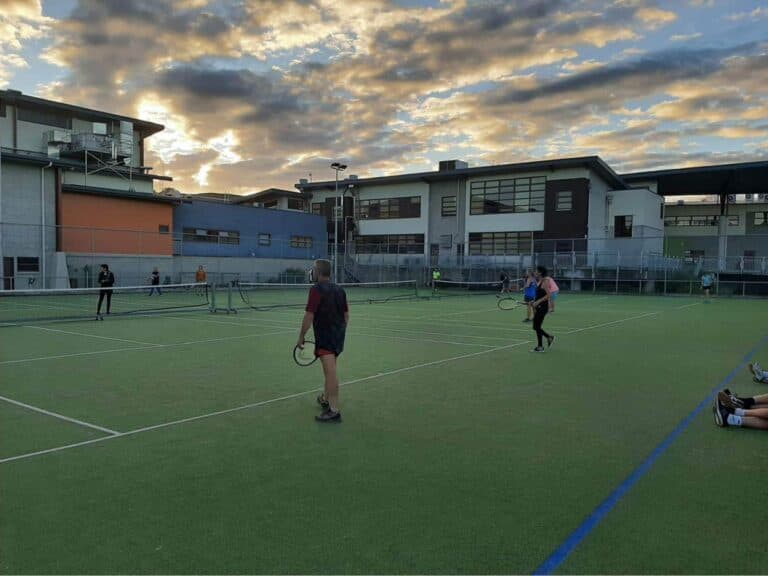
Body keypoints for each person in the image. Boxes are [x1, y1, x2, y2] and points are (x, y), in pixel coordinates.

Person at [297, 259, 349, 423]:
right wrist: (339, 331)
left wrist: (301, 336)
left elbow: (309, 316)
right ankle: (325, 399)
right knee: (330, 370)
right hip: (338, 337)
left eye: (313, 269)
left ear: (318, 272)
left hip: (326, 338)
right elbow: (346, 316)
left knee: (330, 374)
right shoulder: (340, 290)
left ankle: (334, 411)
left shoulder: (316, 290)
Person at [530, 265, 555, 353]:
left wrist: (538, 302)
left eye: (536, 271)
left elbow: (549, 295)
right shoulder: (539, 281)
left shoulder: (545, 281)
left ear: (540, 272)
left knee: (536, 327)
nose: (535, 272)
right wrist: (533, 301)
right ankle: (541, 345)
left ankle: (548, 338)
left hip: (542, 307)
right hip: (538, 306)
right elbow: (539, 294)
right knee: (537, 327)